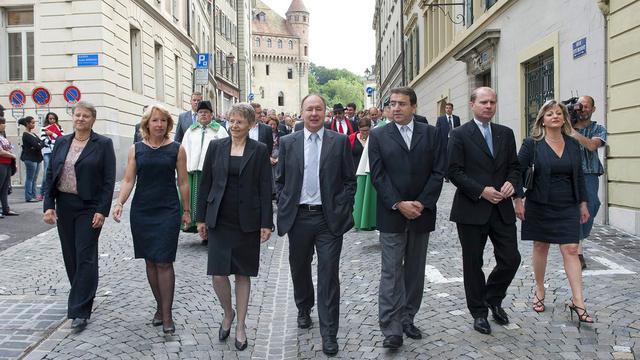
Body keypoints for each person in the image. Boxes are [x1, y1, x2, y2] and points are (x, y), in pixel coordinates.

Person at [276, 94, 356, 356]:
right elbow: (280, 180)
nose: (314, 114)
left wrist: (343, 205)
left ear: (325, 113)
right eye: (309, 109)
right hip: (298, 218)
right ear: (301, 112)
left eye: (318, 109)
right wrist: (286, 202)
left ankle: (329, 333)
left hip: (327, 219)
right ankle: (303, 306)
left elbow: (349, 180)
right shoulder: (289, 142)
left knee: (329, 274)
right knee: (299, 268)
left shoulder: (340, 142)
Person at [369, 87, 445, 349]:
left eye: (402, 104)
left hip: (421, 213)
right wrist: (399, 203)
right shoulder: (378, 136)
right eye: (392, 104)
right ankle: (391, 329)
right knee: (391, 271)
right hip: (392, 213)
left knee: (414, 270)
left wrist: (421, 203)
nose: (396, 108)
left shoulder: (432, 133)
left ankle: (407, 317)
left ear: (414, 106)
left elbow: (439, 171)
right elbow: (378, 176)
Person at [196, 103, 273, 351]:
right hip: (220, 217)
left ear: (251, 125)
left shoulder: (259, 150)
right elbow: (205, 183)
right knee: (218, 273)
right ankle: (227, 312)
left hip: (247, 220)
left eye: (239, 121)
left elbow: (264, 186)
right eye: (231, 121)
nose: (234, 125)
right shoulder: (216, 147)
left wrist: (266, 222)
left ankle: (240, 325)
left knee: (243, 273)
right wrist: (200, 218)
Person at [447, 87, 521, 335]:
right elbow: (453, 171)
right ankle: (479, 313)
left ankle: (493, 296)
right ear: (472, 104)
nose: (489, 106)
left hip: (501, 208)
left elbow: (515, 166)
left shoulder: (505, 133)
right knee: (473, 263)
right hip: (472, 209)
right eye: (484, 102)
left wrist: (513, 182)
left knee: (511, 258)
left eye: (492, 102)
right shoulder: (459, 134)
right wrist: (481, 190)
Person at [514, 100, 593, 326]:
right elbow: (517, 171)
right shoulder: (532, 144)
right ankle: (539, 289)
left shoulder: (572, 144)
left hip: (568, 203)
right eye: (550, 114)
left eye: (559, 113)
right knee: (541, 246)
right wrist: (518, 199)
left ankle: (578, 302)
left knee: (571, 248)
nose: (555, 116)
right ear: (542, 120)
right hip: (540, 203)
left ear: (564, 119)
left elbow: (578, 175)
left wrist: (583, 203)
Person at [112, 104, 190, 335]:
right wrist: (119, 203)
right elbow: (128, 180)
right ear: (147, 124)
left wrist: (186, 211)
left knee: (164, 261)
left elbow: (183, 182)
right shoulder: (136, 149)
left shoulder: (177, 149)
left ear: (168, 124)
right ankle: (159, 306)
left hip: (167, 209)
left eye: (163, 121)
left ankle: (167, 315)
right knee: (150, 261)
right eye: (155, 121)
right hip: (142, 210)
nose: (159, 125)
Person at [43, 101, 116, 332]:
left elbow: (108, 180)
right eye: (77, 115)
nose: (81, 119)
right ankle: (83, 293)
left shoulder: (103, 144)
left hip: (89, 206)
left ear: (93, 119)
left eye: (86, 116)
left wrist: (102, 210)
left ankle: (80, 310)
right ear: (72, 117)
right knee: (71, 255)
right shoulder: (62, 141)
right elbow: (51, 174)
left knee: (85, 255)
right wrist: (48, 205)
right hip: (65, 204)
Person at [180, 100, 229, 237]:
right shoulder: (191, 130)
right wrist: (184, 167)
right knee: (194, 200)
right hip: (194, 171)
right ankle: (195, 225)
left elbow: (225, 149)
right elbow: (184, 149)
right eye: (201, 112)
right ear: (197, 114)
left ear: (211, 114)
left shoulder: (219, 130)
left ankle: (209, 227)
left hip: (212, 173)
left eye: (206, 113)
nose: (203, 115)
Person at [571, 95, 607, 270]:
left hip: (589, 173)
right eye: (579, 106)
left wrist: (573, 133)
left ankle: (577, 238)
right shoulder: (565, 127)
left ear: (593, 109)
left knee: (592, 206)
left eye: (586, 107)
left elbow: (593, 146)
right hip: (568, 173)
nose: (582, 109)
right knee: (574, 209)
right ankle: (577, 251)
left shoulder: (598, 128)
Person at [19, 116, 45, 202]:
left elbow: (41, 143)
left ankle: (33, 195)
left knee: (34, 178)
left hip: (36, 157)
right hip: (30, 158)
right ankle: (29, 197)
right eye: (32, 123)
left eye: (34, 122)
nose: (34, 124)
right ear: (27, 123)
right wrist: (39, 144)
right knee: (30, 178)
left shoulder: (33, 134)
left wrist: (39, 144)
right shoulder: (26, 134)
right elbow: (37, 145)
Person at [40, 112, 64, 200]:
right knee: (47, 172)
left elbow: (62, 139)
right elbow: (44, 141)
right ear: (47, 119)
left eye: (54, 119)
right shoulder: (43, 128)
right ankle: (43, 193)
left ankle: (54, 192)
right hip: (47, 152)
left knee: (57, 171)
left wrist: (52, 134)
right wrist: (54, 140)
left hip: (57, 152)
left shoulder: (59, 128)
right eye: (50, 118)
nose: (52, 120)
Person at [436, 103, 461, 182]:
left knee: (454, 157)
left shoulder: (457, 118)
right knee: (445, 158)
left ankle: (454, 173)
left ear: (452, 109)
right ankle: (446, 176)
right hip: (444, 141)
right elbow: (437, 131)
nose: (448, 109)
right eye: (446, 108)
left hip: (454, 140)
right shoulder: (440, 119)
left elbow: (459, 129)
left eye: (449, 108)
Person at [0, 117, 19, 218]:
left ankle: (5, 208)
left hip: (7, 163)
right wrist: (12, 156)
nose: (4, 125)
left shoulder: (2, 136)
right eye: (2, 123)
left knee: (4, 187)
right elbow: (1, 152)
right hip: (1, 163)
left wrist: (12, 159)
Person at [267, 117, 281, 199]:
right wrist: (269, 157)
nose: (272, 126)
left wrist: (279, 158)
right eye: (270, 124)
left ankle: (277, 192)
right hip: (268, 157)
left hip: (279, 157)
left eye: (274, 124)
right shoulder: (265, 133)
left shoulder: (281, 133)